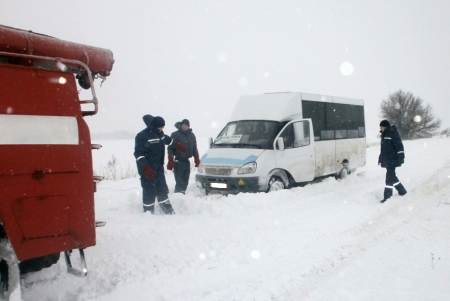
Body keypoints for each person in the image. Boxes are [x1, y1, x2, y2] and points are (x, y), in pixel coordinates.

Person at [134, 114, 175, 214]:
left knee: (162, 189)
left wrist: (177, 145)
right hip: (147, 169)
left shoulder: (160, 134)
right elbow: (138, 154)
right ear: (155, 126)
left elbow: (168, 140)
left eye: (163, 127)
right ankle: (148, 212)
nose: (162, 128)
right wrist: (146, 168)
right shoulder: (142, 136)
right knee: (149, 191)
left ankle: (167, 209)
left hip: (159, 167)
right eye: (160, 127)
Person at [167, 119, 200, 194]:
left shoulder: (191, 135)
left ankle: (181, 195)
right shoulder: (175, 134)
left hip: (187, 161)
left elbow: (194, 147)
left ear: (188, 126)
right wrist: (170, 160)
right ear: (181, 125)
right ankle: (178, 196)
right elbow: (170, 148)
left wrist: (197, 159)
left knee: (185, 181)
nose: (184, 127)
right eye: (183, 125)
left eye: (186, 125)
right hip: (178, 161)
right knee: (179, 182)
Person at [378, 120, 407, 203]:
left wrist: (401, 157)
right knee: (392, 177)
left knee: (389, 178)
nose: (380, 128)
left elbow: (399, 145)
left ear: (385, 126)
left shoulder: (392, 133)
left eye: (381, 127)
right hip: (388, 159)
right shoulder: (384, 135)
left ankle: (387, 196)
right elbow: (383, 149)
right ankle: (402, 190)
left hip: (393, 159)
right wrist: (380, 158)